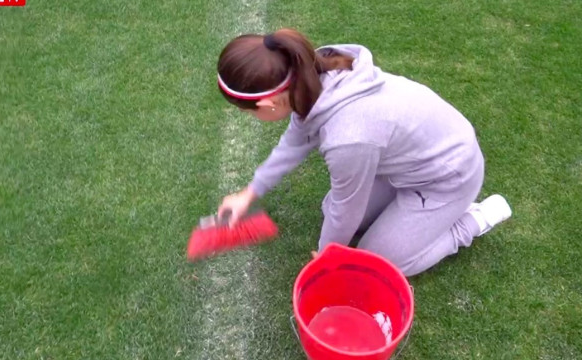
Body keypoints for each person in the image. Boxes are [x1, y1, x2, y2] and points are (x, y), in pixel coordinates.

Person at [216, 28, 512, 276]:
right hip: (410, 165)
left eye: (247, 112)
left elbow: (347, 209)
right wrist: (249, 193)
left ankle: (471, 219)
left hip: (449, 178)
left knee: (375, 263)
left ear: (269, 105)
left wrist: (326, 256)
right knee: (328, 209)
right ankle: (409, 212)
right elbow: (295, 142)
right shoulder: (310, 72)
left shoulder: (348, 138)